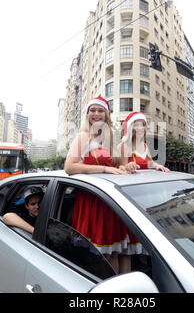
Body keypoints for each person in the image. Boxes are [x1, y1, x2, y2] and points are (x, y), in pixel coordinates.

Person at [65, 97, 136, 274]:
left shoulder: (111, 136)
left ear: (106, 115)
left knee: (121, 252)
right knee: (107, 255)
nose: (96, 114)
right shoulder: (83, 136)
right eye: (92, 110)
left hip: (113, 200)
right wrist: (104, 169)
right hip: (95, 199)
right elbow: (69, 167)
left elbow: (119, 164)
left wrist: (126, 166)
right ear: (87, 114)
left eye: (100, 111)